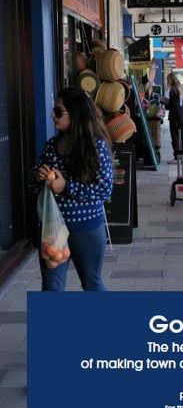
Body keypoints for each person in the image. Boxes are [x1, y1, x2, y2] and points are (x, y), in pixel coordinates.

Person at [28, 87, 114, 291]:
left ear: (76, 114)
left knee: (92, 283)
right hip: (53, 229)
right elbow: (32, 186)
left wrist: (66, 186)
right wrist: (38, 176)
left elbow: (103, 190)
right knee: (51, 287)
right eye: (54, 111)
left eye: (59, 112)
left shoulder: (96, 147)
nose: (52, 116)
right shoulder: (51, 146)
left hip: (87, 228)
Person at [164, 72, 183, 162]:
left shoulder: (173, 90)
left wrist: (165, 103)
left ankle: (177, 157)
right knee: (181, 137)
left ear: (170, 80)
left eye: (168, 80)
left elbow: (173, 105)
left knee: (175, 137)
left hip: (175, 117)